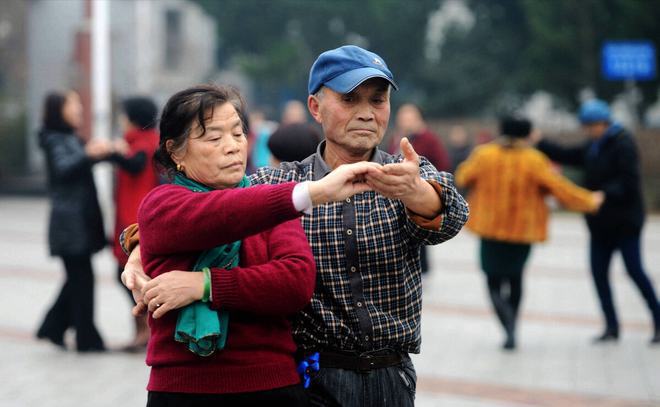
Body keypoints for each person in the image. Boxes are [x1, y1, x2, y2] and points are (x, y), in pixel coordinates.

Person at [122, 45, 469, 406]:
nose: (366, 113)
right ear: (315, 108)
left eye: (377, 100)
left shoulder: (405, 173)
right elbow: (212, 212)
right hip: (311, 377)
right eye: (350, 100)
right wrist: (140, 248)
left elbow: (453, 215)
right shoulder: (283, 182)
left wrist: (415, 192)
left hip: (389, 375)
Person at [132, 84, 380, 406]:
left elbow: (294, 283)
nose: (233, 147)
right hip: (183, 390)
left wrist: (206, 285)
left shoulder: (268, 207)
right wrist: (311, 193)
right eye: (213, 137)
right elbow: (219, 214)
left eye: (238, 134)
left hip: (272, 387)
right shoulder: (162, 206)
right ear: (175, 151)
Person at [455, 116, 604, 350]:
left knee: (492, 280)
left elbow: (463, 176)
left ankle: (508, 328)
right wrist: (589, 200)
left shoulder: (485, 155)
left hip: (490, 228)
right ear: (526, 134)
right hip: (522, 230)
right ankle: (513, 327)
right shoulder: (534, 159)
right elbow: (560, 188)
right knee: (516, 278)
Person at [535, 99, 660, 344]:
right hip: (600, 224)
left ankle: (658, 321)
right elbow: (567, 154)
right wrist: (540, 142)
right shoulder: (595, 145)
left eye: (591, 126)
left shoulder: (623, 144)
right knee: (599, 274)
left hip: (625, 223)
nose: (588, 130)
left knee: (635, 271)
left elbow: (629, 181)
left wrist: (605, 194)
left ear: (604, 123)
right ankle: (611, 327)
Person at [35, 90, 114, 352]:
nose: (79, 108)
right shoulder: (55, 139)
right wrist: (90, 154)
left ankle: (53, 327)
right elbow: (65, 168)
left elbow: (79, 163)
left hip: (79, 220)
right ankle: (86, 338)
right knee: (81, 281)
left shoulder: (68, 137)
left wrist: (105, 152)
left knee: (77, 280)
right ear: (59, 109)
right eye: (73, 104)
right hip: (70, 223)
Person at [109, 96, 160, 352]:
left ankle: (146, 332)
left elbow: (135, 164)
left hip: (135, 220)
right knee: (126, 277)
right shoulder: (138, 143)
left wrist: (114, 153)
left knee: (130, 276)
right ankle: (141, 332)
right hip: (128, 217)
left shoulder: (145, 143)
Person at [388, 102, 452, 274]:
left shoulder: (429, 139)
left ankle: (422, 269)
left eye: (408, 117)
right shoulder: (399, 137)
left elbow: (442, 164)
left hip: (421, 190)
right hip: (397, 193)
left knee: (420, 230)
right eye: (402, 118)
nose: (404, 121)